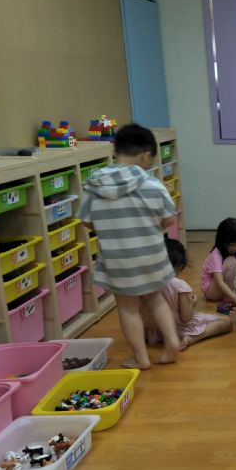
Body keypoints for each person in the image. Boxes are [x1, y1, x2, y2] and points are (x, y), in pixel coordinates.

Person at [78, 123, 180, 369]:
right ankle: (172, 342)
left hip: (117, 260)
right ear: (145, 156)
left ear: (115, 151)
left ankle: (141, 358)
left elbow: (87, 221)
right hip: (151, 255)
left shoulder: (94, 186)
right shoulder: (153, 185)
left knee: (127, 308)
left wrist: (111, 230)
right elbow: (168, 219)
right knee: (155, 299)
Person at [143, 238, 232, 350]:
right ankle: (192, 338)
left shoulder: (144, 282)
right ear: (180, 265)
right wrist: (192, 303)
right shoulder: (180, 286)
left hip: (151, 332)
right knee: (226, 322)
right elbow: (186, 318)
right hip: (177, 329)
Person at [201, 217, 236, 309]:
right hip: (211, 291)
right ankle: (228, 299)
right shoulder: (216, 254)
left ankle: (230, 296)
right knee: (232, 262)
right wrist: (234, 297)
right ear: (222, 241)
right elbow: (219, 281)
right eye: (231, 245)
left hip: (222, 287)